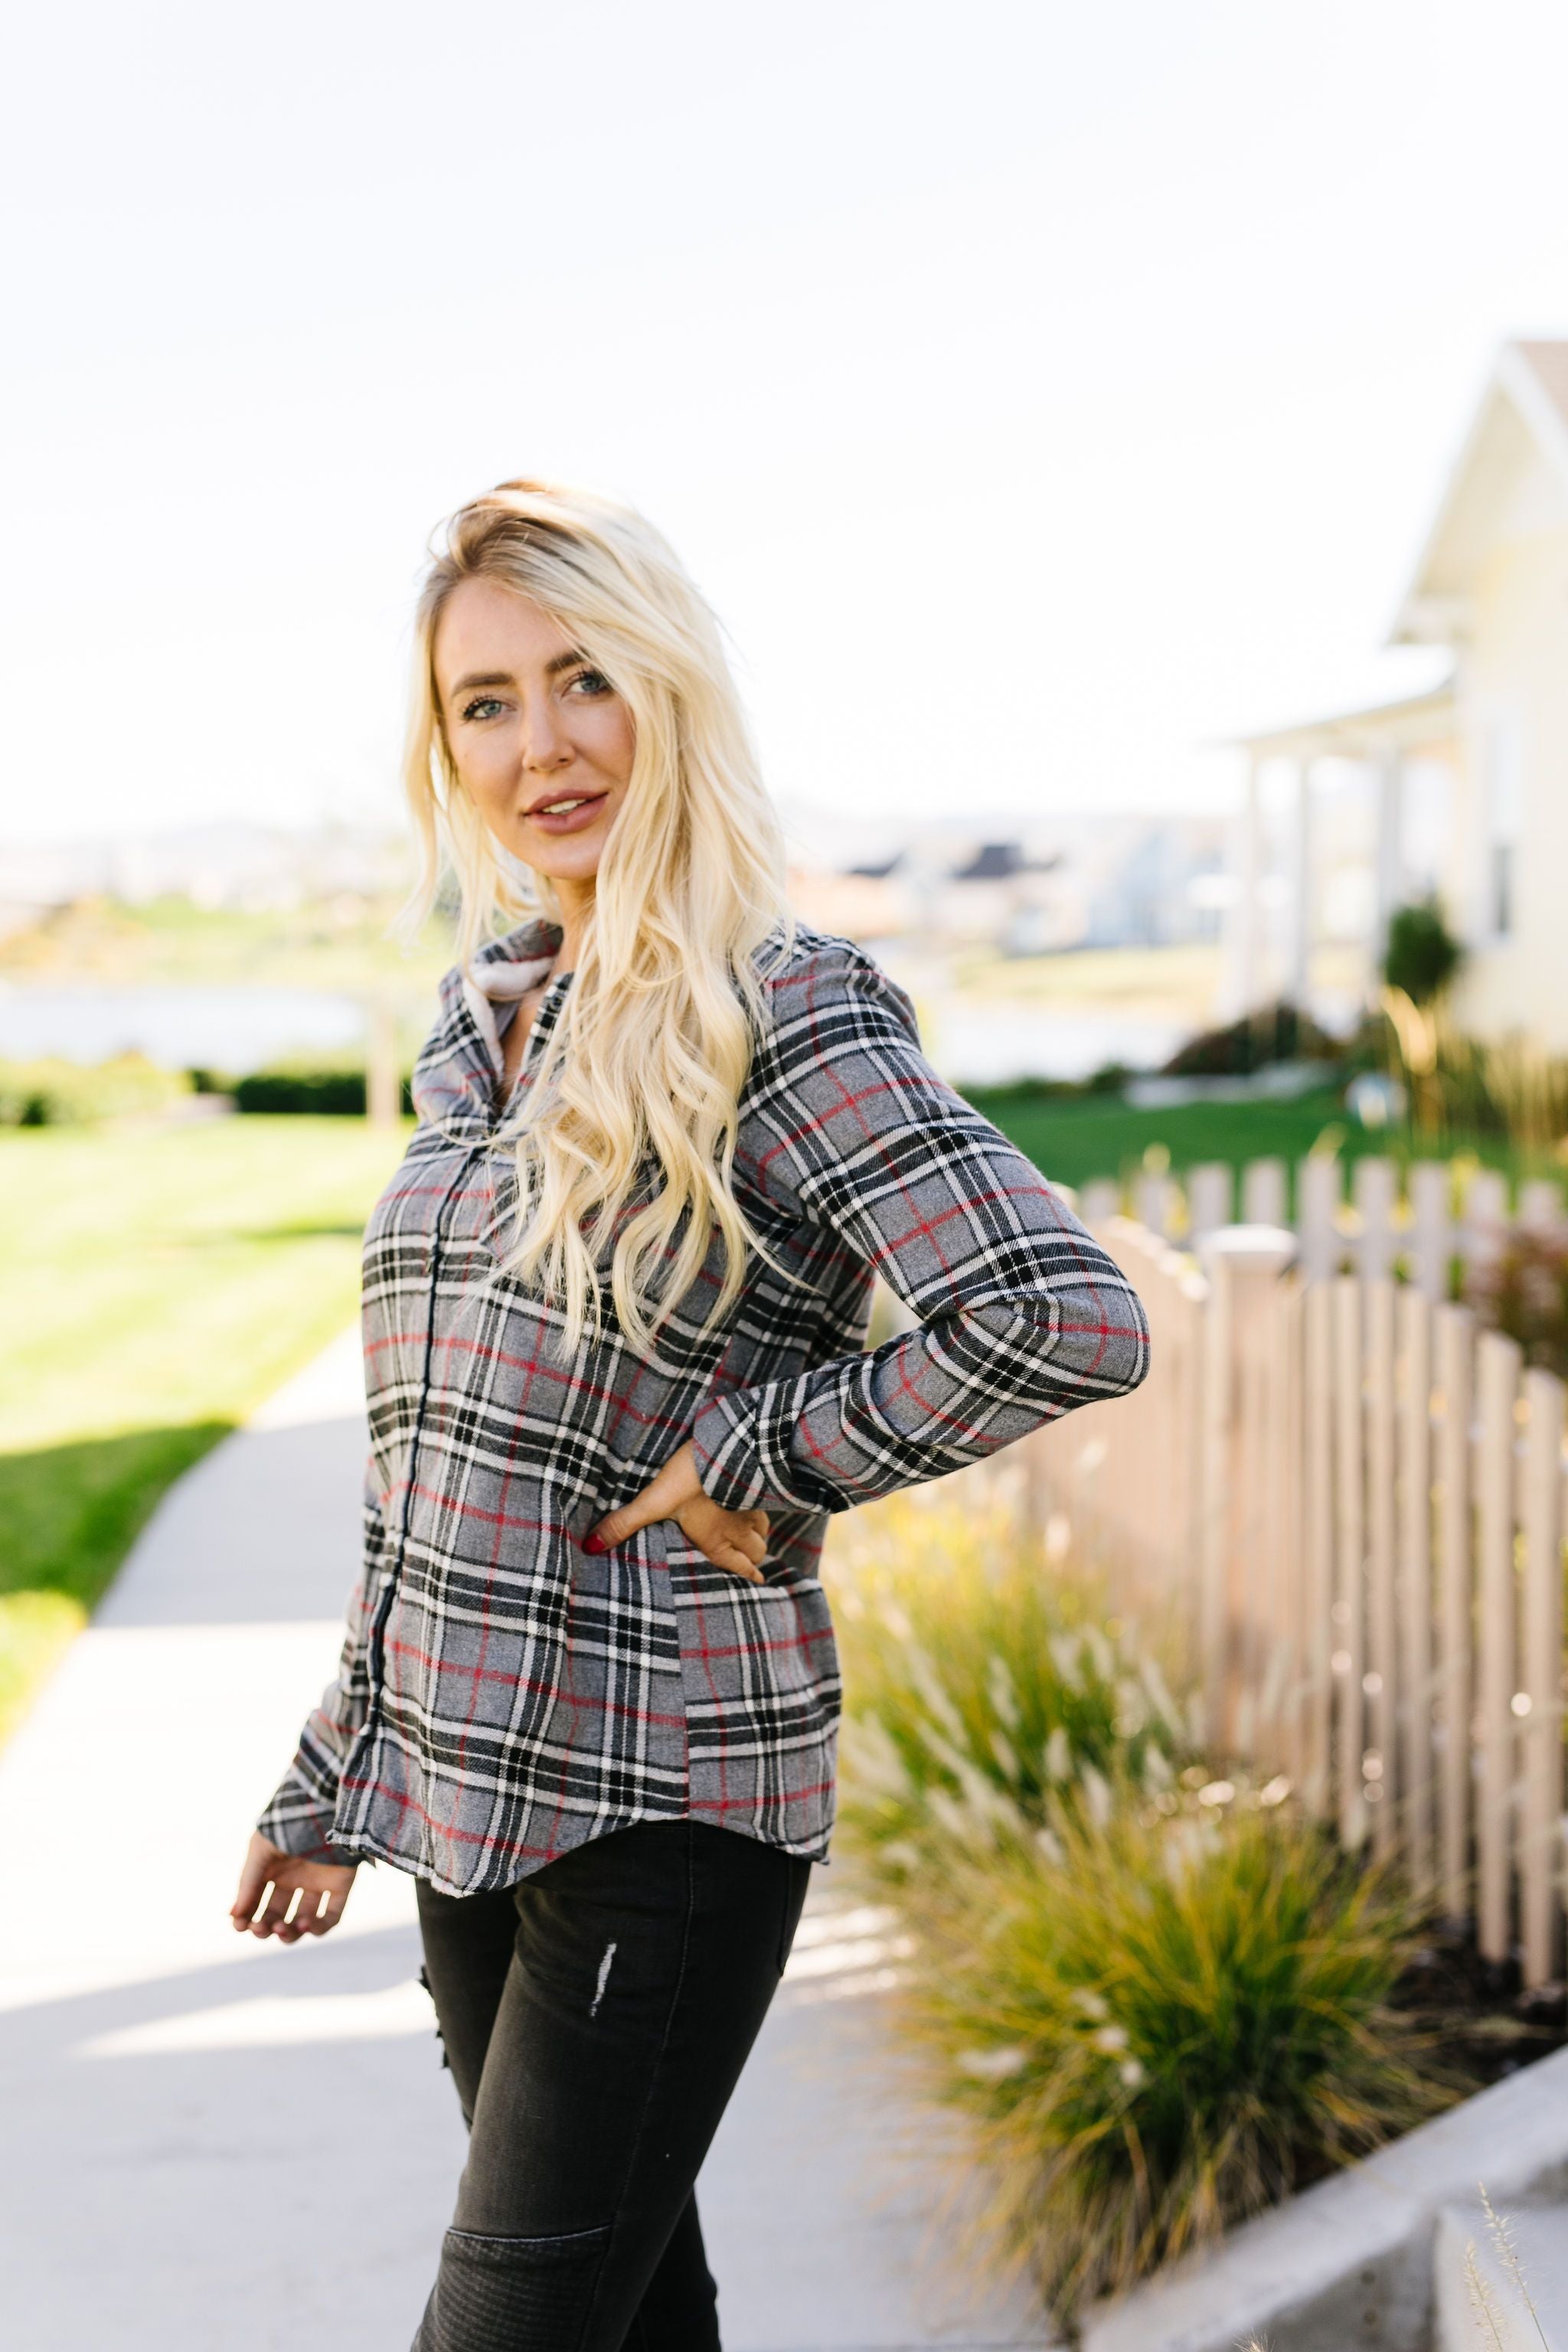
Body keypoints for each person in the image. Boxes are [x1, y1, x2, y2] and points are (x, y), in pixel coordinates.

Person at [230, 479, 1151, 2352]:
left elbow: (1059, 1315)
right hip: (473, 1808)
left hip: (665, 1802)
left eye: (584, 681)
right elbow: (437, 1472)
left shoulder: (777, 1010)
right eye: (483, 702)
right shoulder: (481, 1032)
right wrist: (341, 1767)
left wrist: (763, 1455)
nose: (539, 745)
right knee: (635, 2323)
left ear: (670, 696)